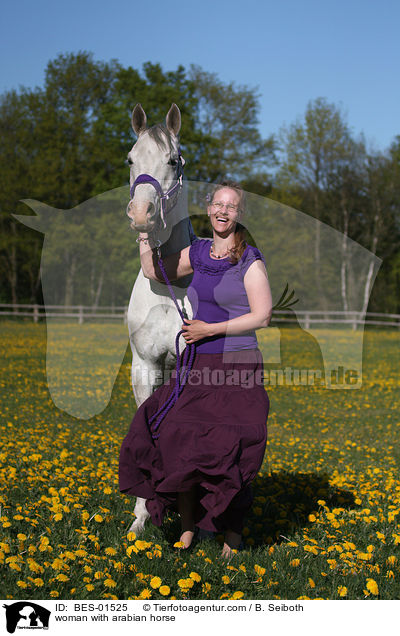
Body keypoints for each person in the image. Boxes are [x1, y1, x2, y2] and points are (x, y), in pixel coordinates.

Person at [119, 180, 272, 558]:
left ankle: (231, 534)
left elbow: (263, 315)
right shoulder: (198, 252)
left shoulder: (249, 259)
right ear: (208, 209)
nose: (223, 211)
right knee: (177, 440)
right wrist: (143, 235)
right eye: (218, 204)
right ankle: (188, 527)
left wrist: (210, 328)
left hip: (237, 366)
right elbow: (157, 272)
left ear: (239, 214)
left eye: (231, 206)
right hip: (198, 363)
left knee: (232, 450)